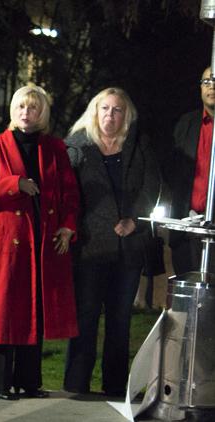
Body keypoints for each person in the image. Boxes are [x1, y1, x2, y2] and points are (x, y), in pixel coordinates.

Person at [0, 85, 80, 401]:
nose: (26, 113)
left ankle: (30, 382)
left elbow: (70, 195)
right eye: (21, 106)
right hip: (7, 242)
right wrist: (14, 184)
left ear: (42, 113)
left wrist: (67, 226)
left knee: (35, 308)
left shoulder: (55, 149)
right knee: (4, 311)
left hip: (43, 241)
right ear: (13, 110)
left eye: (32, 108)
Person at [63, 87, 160, 396]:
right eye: (105, 108)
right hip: (89, 248)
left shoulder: (139, 146)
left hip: (127, 250)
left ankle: (115, 387)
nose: (110, 115)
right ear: (95, 111)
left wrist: (136, 219)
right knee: (85, 318)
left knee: (120, 322)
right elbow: (65, 192)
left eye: (117, 110)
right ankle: (76, 385)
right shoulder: (77, 145)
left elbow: (152, 186)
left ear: (126, 115)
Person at [166, 66, 215, 275]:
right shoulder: (187, 123)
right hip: (186, 227)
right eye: (206, 82)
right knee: (184, 299)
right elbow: (171, 170)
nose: (211, 86)